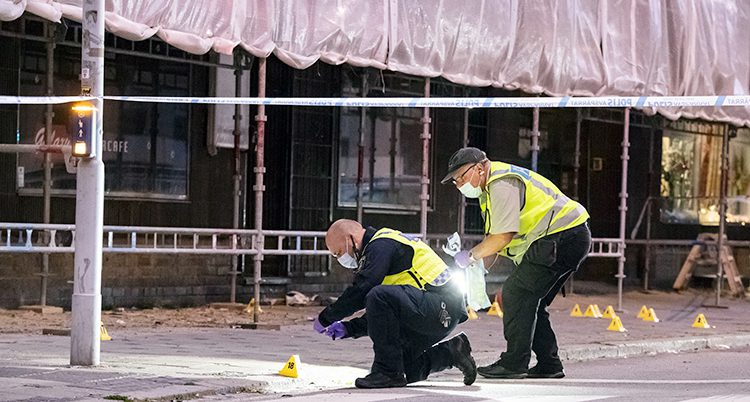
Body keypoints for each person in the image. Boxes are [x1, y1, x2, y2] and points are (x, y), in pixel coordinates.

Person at [441, 147, 591, 380]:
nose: (459, 184)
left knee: (516, 293)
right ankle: (549, 364)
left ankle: (514, 363)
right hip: (569, 238)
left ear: (480, 168)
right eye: (455, 181)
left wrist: (469, 256)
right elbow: (494, 241)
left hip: (562, 236)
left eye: (462, 176)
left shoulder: (501, 183)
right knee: (532, 301)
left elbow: (503, 236)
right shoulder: (488, 193)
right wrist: (477, 269)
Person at [313, 219, 477, 389]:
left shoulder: (381, 245)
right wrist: (349, 329)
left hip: (442, 306)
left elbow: (364, 289)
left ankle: (387, 373)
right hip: (434, 311)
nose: (340, 259)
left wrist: (326, 317)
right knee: (403, 368)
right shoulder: (380, 252)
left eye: (339, 253)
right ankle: (453, 352)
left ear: (351, 239)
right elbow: (383, 315)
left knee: (378, 296)